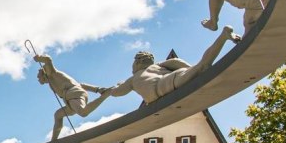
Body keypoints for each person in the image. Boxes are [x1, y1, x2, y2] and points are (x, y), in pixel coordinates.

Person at [102, 26, 240, 104]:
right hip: (172, 79)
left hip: (165, 86)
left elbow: (116, 93)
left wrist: (113, 88)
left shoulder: (133, 79)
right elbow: (177, 62)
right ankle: (223, 37)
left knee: (202, 67)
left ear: (137, 63)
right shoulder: (158, 66)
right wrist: (190, 70)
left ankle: (223, 37)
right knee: (201, 66)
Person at [31, 54, 112, 140]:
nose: (39, 79)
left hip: (74, 94)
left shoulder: (52, 73)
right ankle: (53, 140)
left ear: (44, 74)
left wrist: (39, 58)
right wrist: (97, 89)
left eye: (39, 77)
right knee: (58, 115)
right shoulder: (52, 81)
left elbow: (48, 59)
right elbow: (81, 85)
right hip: (69, 99)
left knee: (83, 112)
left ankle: (106, 95)